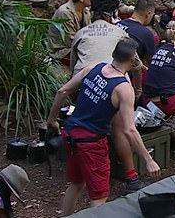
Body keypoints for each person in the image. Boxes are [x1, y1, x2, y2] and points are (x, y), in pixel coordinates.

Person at [46, 39, 160, 215]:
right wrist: (148, 160)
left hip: (70, 134)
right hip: (91, 143)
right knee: (99, 196)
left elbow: (63, 91)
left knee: (76, 183)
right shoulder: (123, 88)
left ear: (114, 54)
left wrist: (52, 119)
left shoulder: (94, 67)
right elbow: (129, 129)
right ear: (133, 61)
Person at [70, 0, 146, 193]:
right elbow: (136, 65)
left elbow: (73, 71)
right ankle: (131, 177)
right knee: (120, 128)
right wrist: (137, 91)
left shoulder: (80, 34)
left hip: (86, 91)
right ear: (111, 13)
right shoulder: (120, 35)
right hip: (114, 88)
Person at [117, 0, 157, 92]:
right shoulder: (146, 34)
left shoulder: (118, 24)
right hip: (128, 74)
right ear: (148, 14)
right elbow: (151, 63)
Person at [47, 0, 93, 64]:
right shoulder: (65, 13)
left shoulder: (85, 10)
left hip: (80, 44)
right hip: (63, 50)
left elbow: (90, 31)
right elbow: (71, 41)